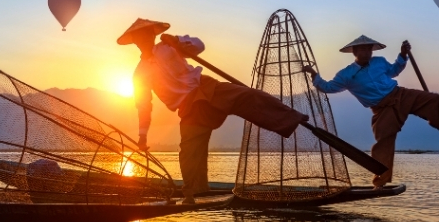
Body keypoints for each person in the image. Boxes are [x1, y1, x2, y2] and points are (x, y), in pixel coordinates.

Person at [119, 18, 309, 204]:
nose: (144, 39)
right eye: (139, 37)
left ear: (153, 34)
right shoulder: (141, 72)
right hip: (189, 107)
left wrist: (177, 41)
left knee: (250, 96)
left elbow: (198, 46)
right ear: (135, 41)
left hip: (208, 88)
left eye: (146, 34)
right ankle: (193, 194)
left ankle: (293, 118)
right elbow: (143, 105)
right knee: (189, 153)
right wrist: (142, 136)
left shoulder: (168, 48)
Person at [302, 35, 439, 189]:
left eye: (368, 49)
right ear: (355, 52)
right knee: (383, 141)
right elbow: (327, 87)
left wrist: (403, 54)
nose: (366, 53)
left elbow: (394, 70)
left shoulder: (379, 62)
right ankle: (380, 181)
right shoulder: (347, 74)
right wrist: (313, 74)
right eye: (362, 50)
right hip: (382, 108)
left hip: (400, 94)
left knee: (435, 100)